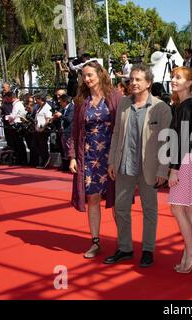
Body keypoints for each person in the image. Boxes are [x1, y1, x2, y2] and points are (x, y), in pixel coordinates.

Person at [104, 64, 172, 268]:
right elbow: (116, 133)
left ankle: (148, 250)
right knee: (121, 209)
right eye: (131, 79)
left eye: (138, 80)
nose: (133, 83)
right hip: (124, 164)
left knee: (149, 210)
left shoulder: (161, 108)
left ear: (148, 83)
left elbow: (167, 142)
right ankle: (125, 248)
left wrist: (163, 169)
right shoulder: (124, 103)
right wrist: (112, 161)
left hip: (149, 168)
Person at [68, 60, 122, 259]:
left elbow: (123, 127)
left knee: (117, 200)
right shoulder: (81, 101)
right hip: (89, 157)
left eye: (90, 74)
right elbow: (74, 131)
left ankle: (123, 243)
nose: (87, 79)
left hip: (112, 156)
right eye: (84, 76)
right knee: (93, 199)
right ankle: (95, 241)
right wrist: (73, 156)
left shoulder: (115, 96)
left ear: (100, 74)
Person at [167, 66, 192, 273]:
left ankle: (191, 253)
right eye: (173, 76)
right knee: (188, 208)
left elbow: (181, 140)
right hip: (191, 160)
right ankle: (188, 252)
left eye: (179, 77)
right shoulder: (186, 105)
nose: (174, 80)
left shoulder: (186, 106)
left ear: (190, 83)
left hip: (184, 161)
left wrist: (174, 169)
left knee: (177, 208)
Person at [5, 90, 27, 165]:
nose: (7, 100)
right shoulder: (17, 104)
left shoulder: (17, 104)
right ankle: (20, 159)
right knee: (18, 143)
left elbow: (13, 116)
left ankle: (22, 160)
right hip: (17, 125)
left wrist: (7, 117)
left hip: (17, 125)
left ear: (11, 97)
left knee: (19, 144)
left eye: (7, 98)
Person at [53, 94, 74, 172]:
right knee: (64, 149)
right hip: (63, 131)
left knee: (69, 149)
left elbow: (69, 119)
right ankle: (65, 166)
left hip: (69, 132)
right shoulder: (63, 109)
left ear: (65, 101)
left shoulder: (72, 108)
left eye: (61, 102)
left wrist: (61, 115)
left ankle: (69, 166)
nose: (60, 103)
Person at [33, 92, 53, 169]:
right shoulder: (39, 107)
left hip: (43, 130)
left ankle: (45, 160)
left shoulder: (47, 107)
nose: (36, 101)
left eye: (37, 99)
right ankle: (43, 160)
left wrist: (43, 128)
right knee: (37, 146)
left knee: (43, 146)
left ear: (41, 99)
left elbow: (48, 119)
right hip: (38, 129)